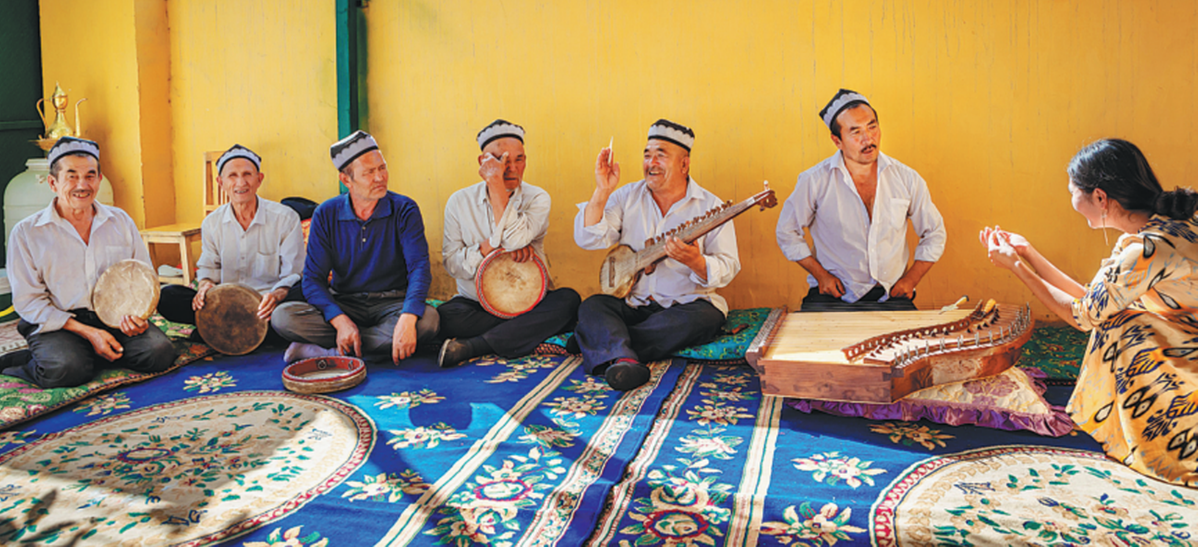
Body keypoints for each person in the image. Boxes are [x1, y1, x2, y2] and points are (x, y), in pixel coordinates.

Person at [980, 138, 1198, 486]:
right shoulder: (1162, 227)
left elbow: (1082, 317)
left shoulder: (1147, 248)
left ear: (1099, 197)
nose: (1070, 200)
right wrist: (1029, 254)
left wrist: (1017, 269)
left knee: (1124, 326)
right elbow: (1094, 300)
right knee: (1117, 317)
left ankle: (1172, 444)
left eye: (1072, 191)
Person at [574, 119, 740, 391]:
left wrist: (695, 262)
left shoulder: (712, 206)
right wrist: (602, 190)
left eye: (660, 156)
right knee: (593, 305)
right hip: (635, 305)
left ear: (684, 164)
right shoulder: (627, 196)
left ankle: (608, 347)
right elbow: (588, 239)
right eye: (647, 155)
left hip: (685, 305)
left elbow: (729, 266)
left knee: (707, 318)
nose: (651, 163)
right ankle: (622, 356)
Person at [1, 137, 176, 388]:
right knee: (66, 370)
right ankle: (33, 359)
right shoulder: (27, 232)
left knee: (159, 353)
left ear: (99, 179)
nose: (82, 185)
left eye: (90, 176)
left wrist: (136, 317)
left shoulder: (120, 221)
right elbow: (28, 301)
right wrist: (89, 332)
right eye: (71, 176)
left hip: (114, 317)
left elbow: (142, 275)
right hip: (60, 321)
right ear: (53, 182)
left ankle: (88, 353)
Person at [272, 130, 439, 364]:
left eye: (382, 168)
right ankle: (369, 345)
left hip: (392, 303)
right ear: (346, 180)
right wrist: (339, 319)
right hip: (345, 302)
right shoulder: (326, 214)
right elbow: (312, 279)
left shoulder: (404, 209)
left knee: (428, 321)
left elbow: (419, 268)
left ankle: (329, 352)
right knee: (283, 317)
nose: (380, 177)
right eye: (369, 172)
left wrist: (408, 317)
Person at [777, 89, 946, 311]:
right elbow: (787, 232)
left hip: (890, 294)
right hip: (834, 294)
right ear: (837, 141)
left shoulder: (906, 179)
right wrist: (821, 276)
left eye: (872, 126)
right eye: (855, 132)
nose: (868, 139)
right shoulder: (814, 181)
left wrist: (911, 279)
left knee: (911, 345)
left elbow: (934, 233)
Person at [438, 120, 580, 368]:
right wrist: (487, 249)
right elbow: (452, 265)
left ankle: (475, 345)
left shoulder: (538, 198)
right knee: (446, 317)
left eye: (519, 160)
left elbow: (515, 239)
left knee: (569, 301)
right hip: (477, 305)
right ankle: (528, 335)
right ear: (483, 162)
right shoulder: (458, 201)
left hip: (530, 304)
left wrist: (496, 189)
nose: (511, 169)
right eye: (501, 160)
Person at [156, 144, 305, 343]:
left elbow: (294, 274)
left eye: (247, 174)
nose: (241, 182)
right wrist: (205, 286)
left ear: (259, 179)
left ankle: (221, 332)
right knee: (167, 296)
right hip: (225, 306)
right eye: (232, 175)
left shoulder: (285, 218)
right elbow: (209, 269)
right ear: (221, 182)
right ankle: (245, 333)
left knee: (298, 300)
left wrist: (277, 295)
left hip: (267, 307)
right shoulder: (212, 223)